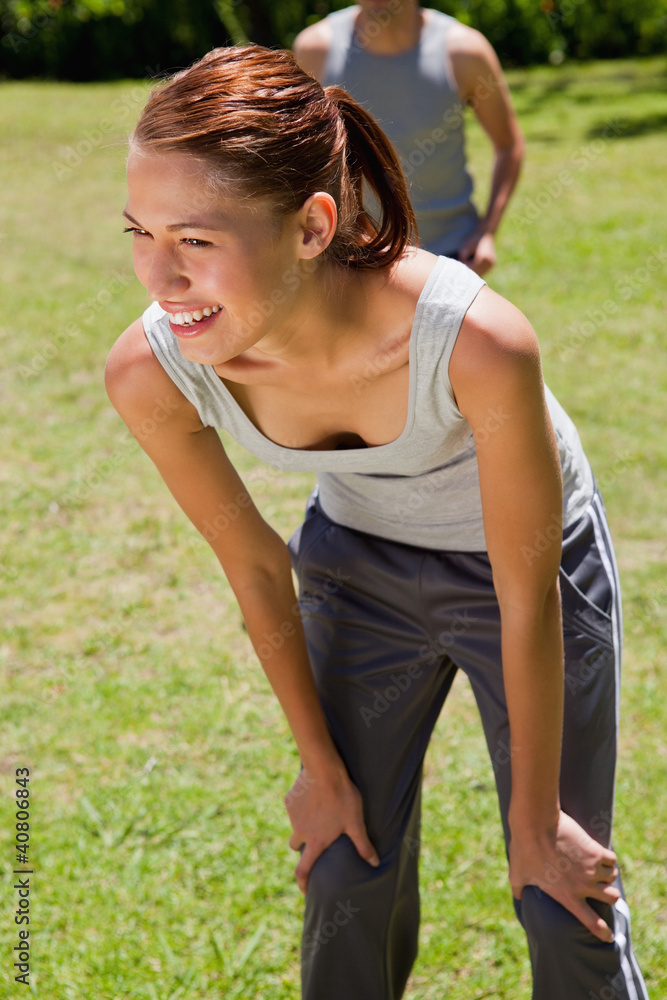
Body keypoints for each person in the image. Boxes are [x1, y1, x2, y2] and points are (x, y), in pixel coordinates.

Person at [104, 45, 649, 1000]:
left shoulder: (475, 341)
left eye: (194, 240)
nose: (160, 276)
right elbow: (258, 570)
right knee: (345, 864)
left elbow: (525, 591)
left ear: (312, 225)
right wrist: (318, 768)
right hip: (359, 563)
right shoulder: (153, 371)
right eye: (138, 233)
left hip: (524, 573)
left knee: (554, 891)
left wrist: (531, 820)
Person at [293, 0, 525, 277]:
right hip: (352, 263)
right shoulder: (316, 50)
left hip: (449, 259)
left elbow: (509, 146)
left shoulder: (464, 52)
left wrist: (487, 233)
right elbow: (298, 157)